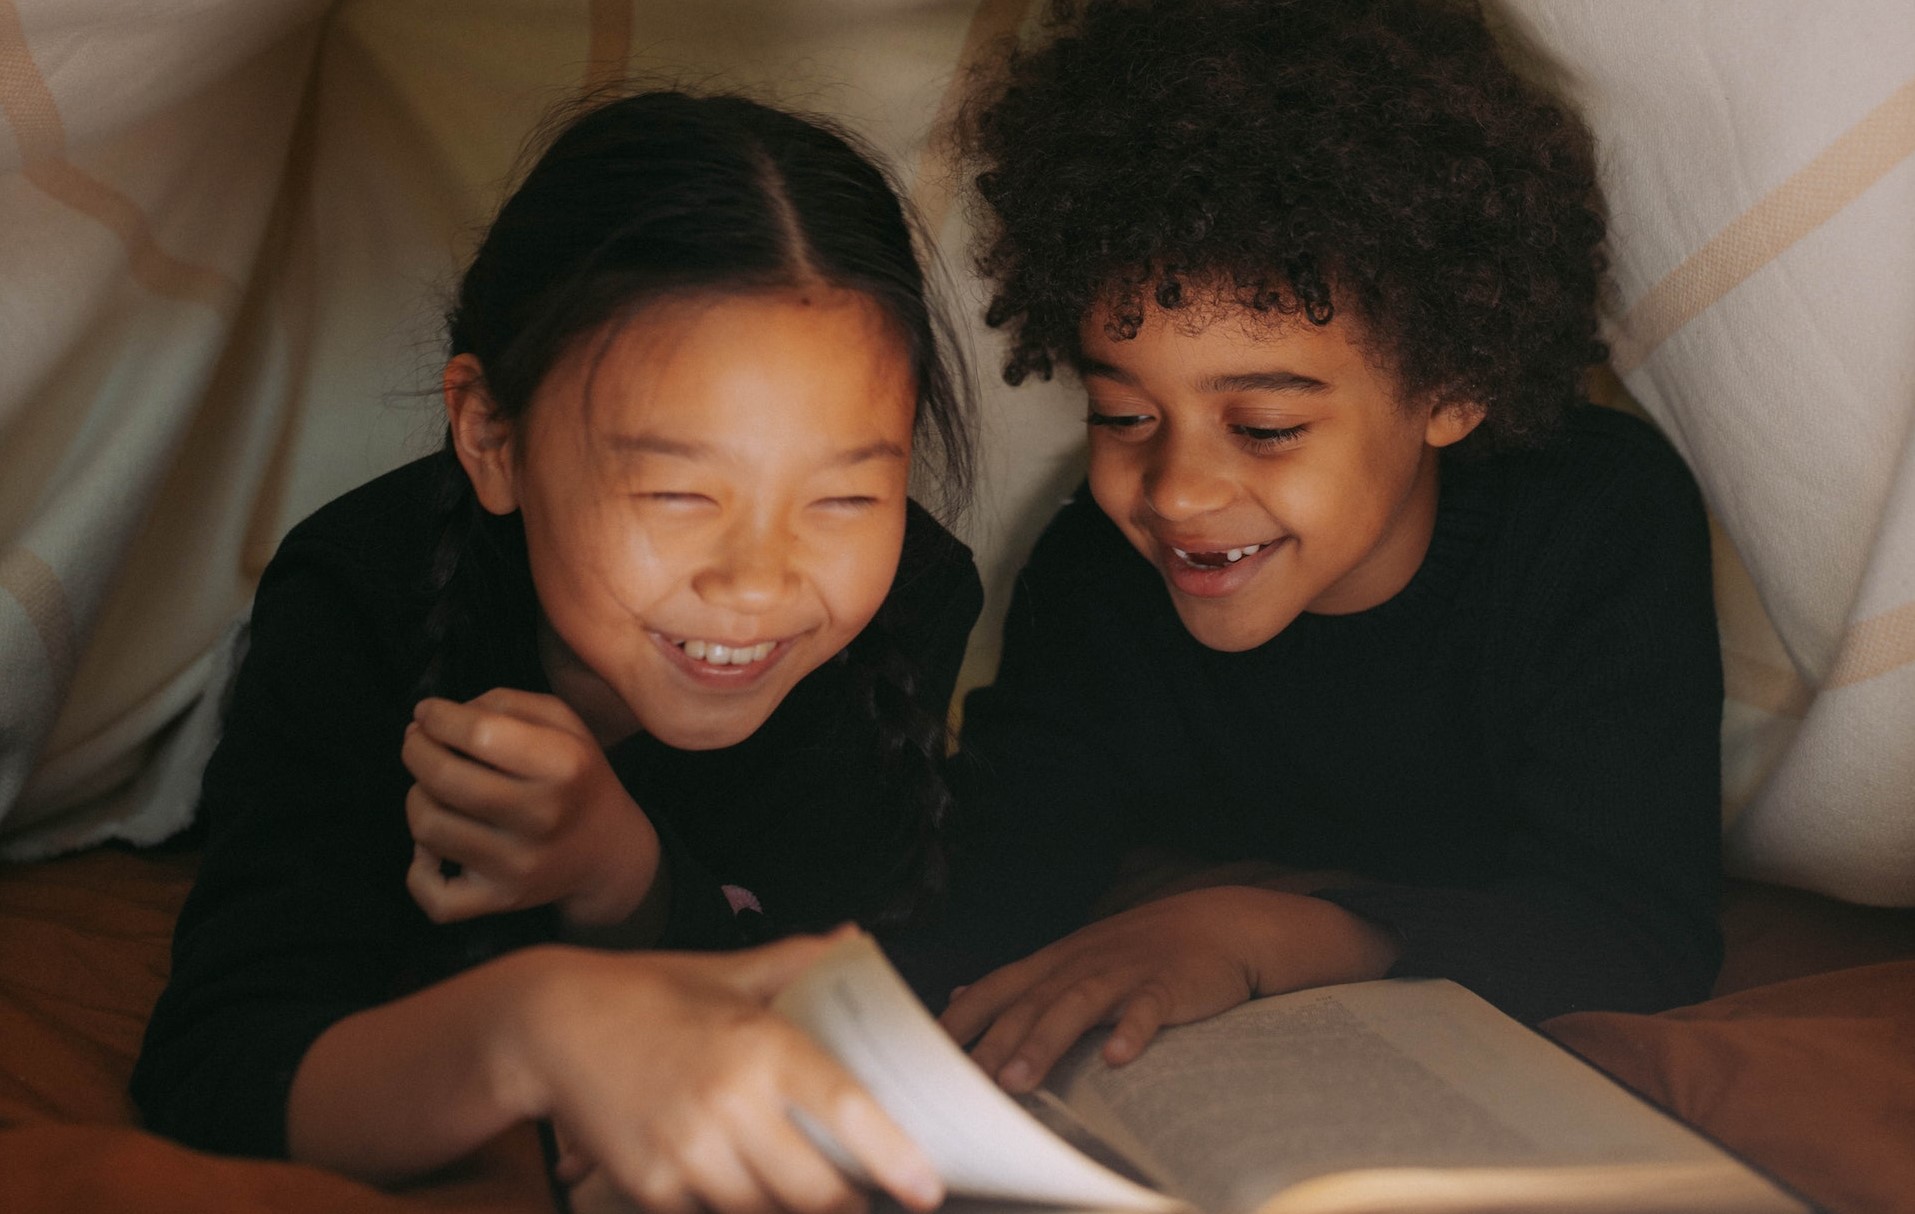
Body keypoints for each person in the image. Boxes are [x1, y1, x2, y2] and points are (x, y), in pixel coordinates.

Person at [131, 90, 981, 1214]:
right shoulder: (356, 599)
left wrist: (622, 874)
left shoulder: (903, 605)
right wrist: (530, 1025)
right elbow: (220, 1066)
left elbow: (849, 961)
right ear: (490, 436)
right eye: (679, 492)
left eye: (846, 494)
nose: (759, 580)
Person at [931, 0, 1724, 1095]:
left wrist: (1255, 934)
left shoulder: (1594, 523)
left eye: (1263, 427)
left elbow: (1637, 933)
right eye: (1122, 416)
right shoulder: (1091, 580)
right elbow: (989, 906)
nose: (1178, 490)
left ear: (1454, 385)